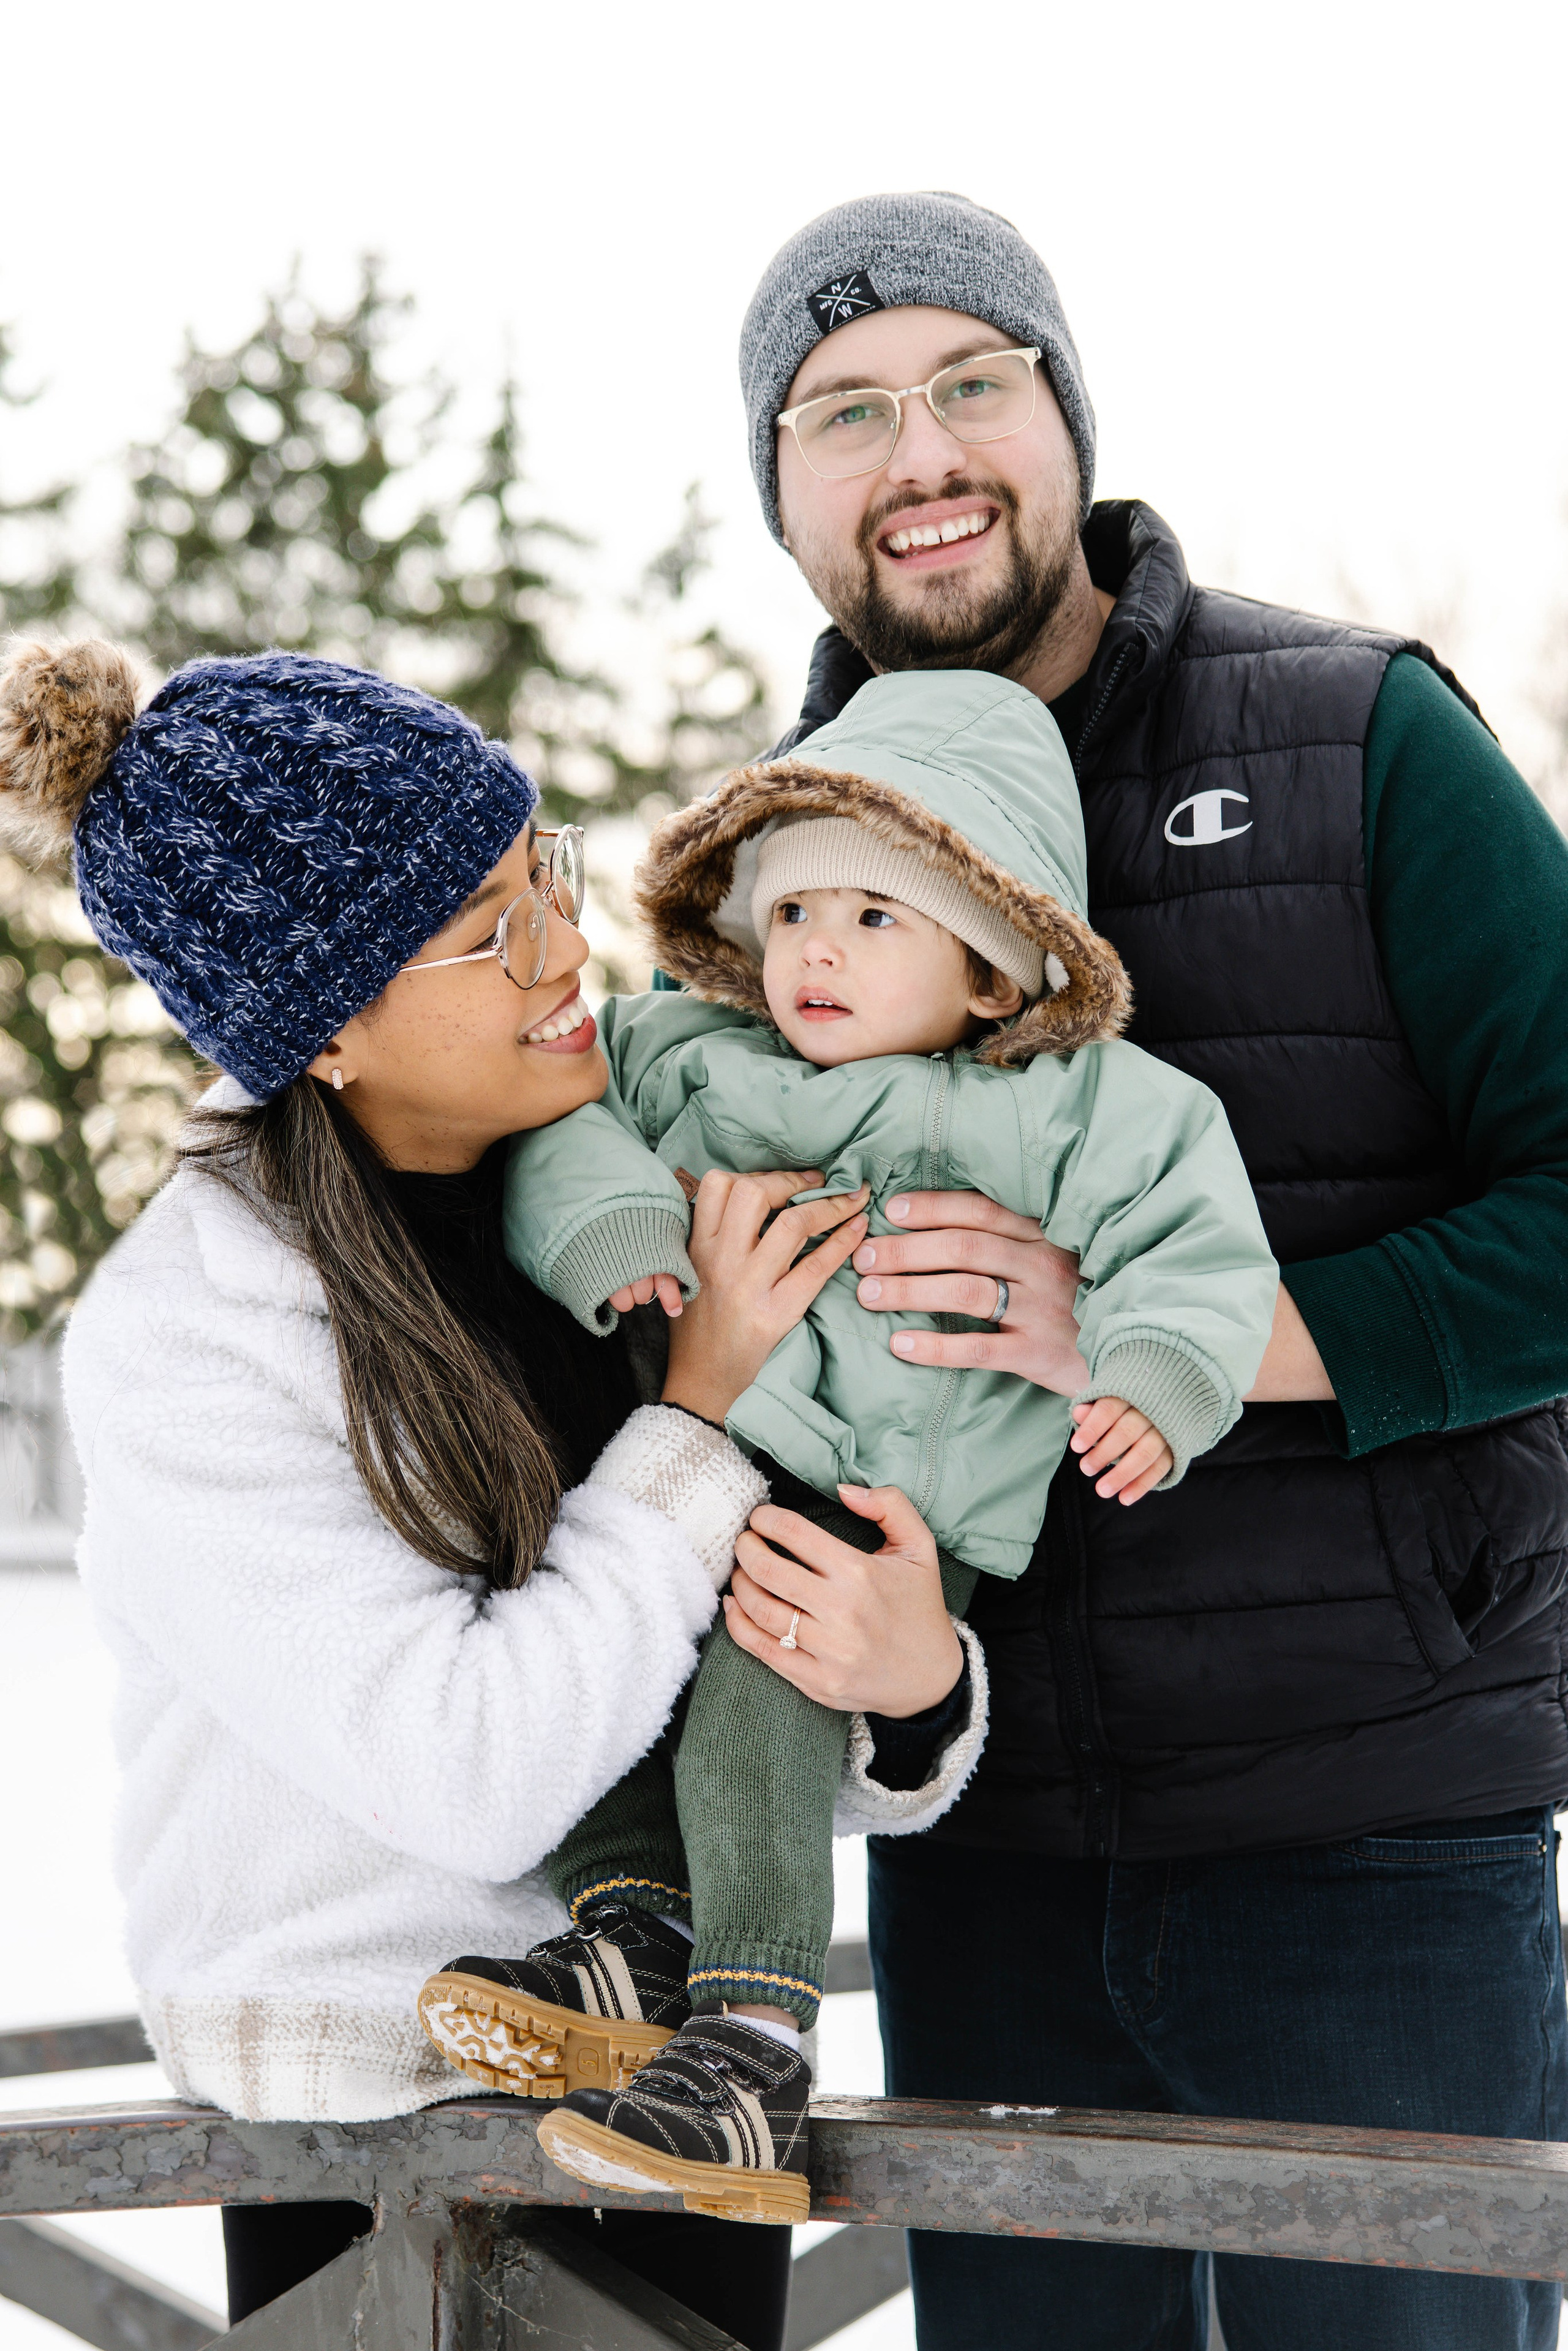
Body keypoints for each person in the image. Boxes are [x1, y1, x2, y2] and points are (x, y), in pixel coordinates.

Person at [722, 192, 1568, 2350]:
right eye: (842, 413)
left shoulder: (1359, 733)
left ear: (1067, 417)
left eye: (970, 383)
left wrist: (1206, 1336)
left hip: (1366, 1824)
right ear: (783, 489)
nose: (918, 453)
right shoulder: (774, 866)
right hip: (979, 1829)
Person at [0, 638, 979, 2351]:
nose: (565, 952)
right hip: (372, 2136)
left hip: (671, 2086)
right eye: (490, 931)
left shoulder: (611, 1203)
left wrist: (911, 1694)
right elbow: (472, 1769)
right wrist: (699, 1415)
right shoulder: (188, 1339)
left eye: (551, 875)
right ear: (326, 1025)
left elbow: (701, 1722)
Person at [413, 664, 1275, 2223]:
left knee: (760, 1678)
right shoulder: (688, 1050)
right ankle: (631, 1931)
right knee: (600, 1641)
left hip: (877, 1504)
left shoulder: (1084, 1108)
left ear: (998, 971)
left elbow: (1194, 1240)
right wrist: (608, 1217)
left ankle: (747, 2044)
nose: (817, 946)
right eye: (797, 910)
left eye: (875, 918)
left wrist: (1152, 1372)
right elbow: (565, 1118)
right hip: (693, 1449)